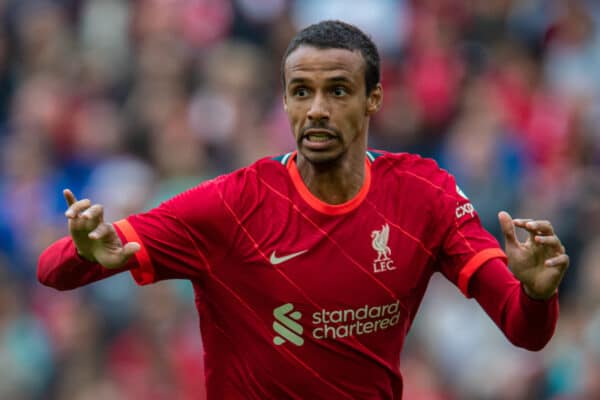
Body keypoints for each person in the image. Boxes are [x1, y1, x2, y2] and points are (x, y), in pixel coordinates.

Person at [38, 20, 569, 399]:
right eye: (301, 91)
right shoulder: (232, 204)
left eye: (338, 90)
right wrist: (87, 253)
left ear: (374, 98)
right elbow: (51, 271)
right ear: (286, 101)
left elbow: (526, 331)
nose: (317, 109)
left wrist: (539, 293)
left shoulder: (423, 194)